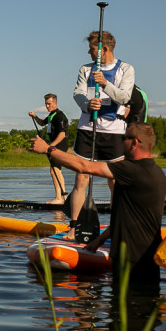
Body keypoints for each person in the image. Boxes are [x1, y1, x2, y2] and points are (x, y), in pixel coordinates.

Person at [31, 122, 166, 286]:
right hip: (148, 260)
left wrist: (48, 149)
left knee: (126, 307)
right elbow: (128, 218)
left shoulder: (130, 170)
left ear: (134, 142)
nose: (120, 141)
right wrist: (99, 241)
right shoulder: (158, 174)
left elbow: (84, 166)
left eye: (124, 137)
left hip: (131, 262)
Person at [66, 30, 135, 240]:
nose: (88, 52)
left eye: (92, 48)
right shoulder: (85, 69)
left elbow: (124, 97)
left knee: (115, 181)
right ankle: (74, 226)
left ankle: (115, 228)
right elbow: (77, 93)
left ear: (103, 49)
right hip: (88, 129)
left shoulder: (126, 69)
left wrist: (105, 84)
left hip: (113, 131)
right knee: (81, 178)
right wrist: (87, 104)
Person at [29, 93, 69, 203]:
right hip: (54, 145)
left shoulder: (59, 116)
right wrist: (35, 117)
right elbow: (42, 123)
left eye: (49, 104)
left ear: (55, 103)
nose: (47, 106)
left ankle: (59, 198)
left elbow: (62, 134)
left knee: (54, 170)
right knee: (56, 170)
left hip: (59, 145)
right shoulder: (52, 115)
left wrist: (50, 146)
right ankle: (63, 197)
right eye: (46, 104)